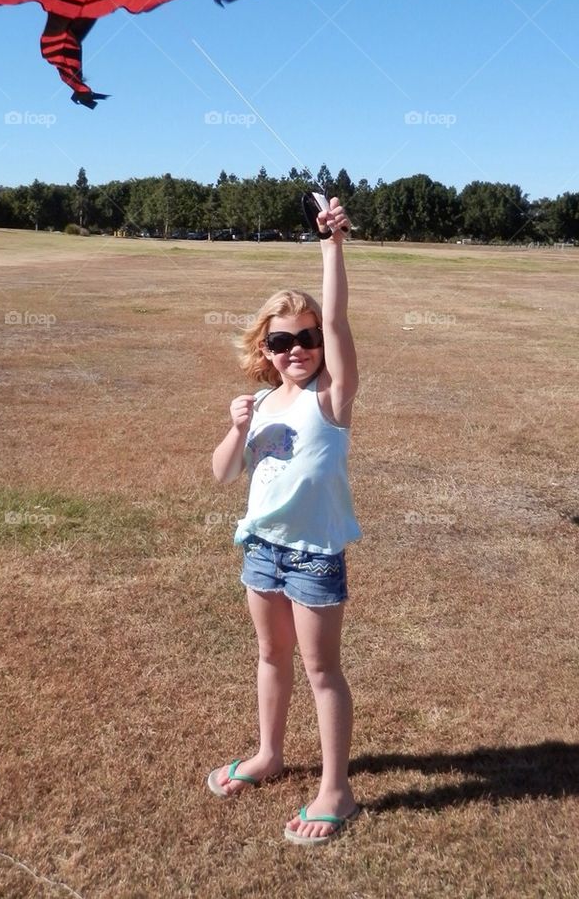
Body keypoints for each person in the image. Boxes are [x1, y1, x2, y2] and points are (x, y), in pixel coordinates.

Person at [207, 195, 361, 844]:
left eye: (307, 337)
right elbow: (223, 473)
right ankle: (269, 753)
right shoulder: (265, 401)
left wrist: (331, 245)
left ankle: (337, 789)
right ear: (264, 348)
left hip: (313, 553)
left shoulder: (332, 396)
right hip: (262, 551)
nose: (296, 347)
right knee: (271, 655)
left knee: (321, 670)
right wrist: (237, 427)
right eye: (281, 340)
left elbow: (340, 316)